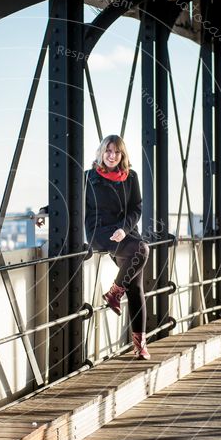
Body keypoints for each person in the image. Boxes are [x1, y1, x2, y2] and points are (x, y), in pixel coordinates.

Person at [85, 134, 150, 359]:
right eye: (108, 151)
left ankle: (139, 344)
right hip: (100, 232)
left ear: (122, 155)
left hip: (126, 232)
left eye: (117, 152)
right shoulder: (88, 178)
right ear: (102, 152)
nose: (112, 156)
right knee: (142, 250)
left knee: (135, 286)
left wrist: (124, 228)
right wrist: (46, 212)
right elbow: (67, 198)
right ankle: (114, 294)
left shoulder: (131, 177)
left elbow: (136, 208)